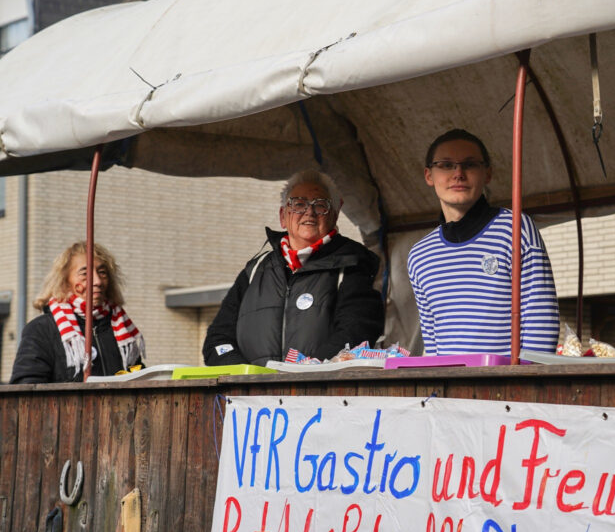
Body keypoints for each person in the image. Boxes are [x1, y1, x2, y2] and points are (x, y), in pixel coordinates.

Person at [203, 169, 384, 365]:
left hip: (322, 384)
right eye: (298, 204)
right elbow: (218, 340)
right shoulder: (255, 269)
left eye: (320, 205)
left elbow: (356, 333)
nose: (309, 212)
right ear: (283, 216)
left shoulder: (354, 263)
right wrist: (248, 375)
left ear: (334, 215)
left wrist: (303, 371)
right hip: (255, 385)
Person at [407, 129, 560, 355]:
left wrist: (524, 378)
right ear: (429, 176)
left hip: (507, 379)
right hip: (446, 379)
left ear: (487, 174)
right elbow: (432, 343)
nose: (458, 173)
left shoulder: (515, 229)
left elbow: (541, 324)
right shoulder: (420, 255)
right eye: (446, 165)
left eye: (469, 164)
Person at [11, 242, 145, 383]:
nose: (98, 281)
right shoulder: (41, 329)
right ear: (64, 281)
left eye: (102, 272)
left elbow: (137, 377)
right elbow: (27, 388)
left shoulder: (121, 327)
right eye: (85, 274)